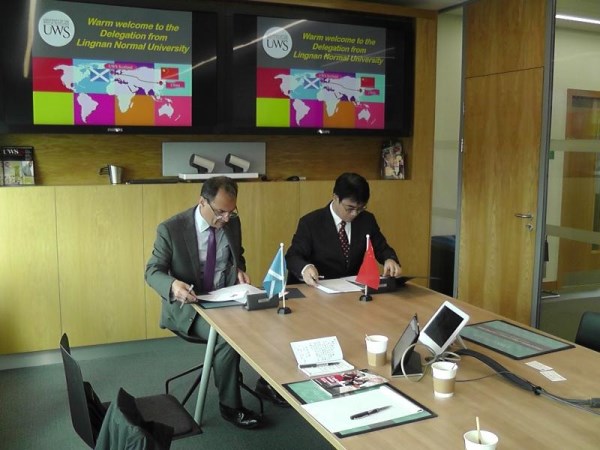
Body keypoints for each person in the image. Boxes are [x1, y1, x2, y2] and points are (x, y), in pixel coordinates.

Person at [145, 176, 283, 430]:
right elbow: (152, 271)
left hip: (226, 297)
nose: (226, 219)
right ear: (202, 202)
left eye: (232, 212)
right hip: (191, 306)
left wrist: (238, 269)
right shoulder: (171, 229)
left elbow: (236, 255)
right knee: (226, 336)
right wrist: (173, 286)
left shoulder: (232, 222)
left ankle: (267, 384)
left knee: (273, 317)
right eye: (220, 212)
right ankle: (231, 406)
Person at [286, 172, 402, 285]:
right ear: (335, 197)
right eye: (349, 208)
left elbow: (382, 248)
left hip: (352, 290)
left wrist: (389, 259)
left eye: (361, 208)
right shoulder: (311, 223)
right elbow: (293, 256)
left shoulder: (367, 220)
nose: (355, 213)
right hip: (318, 288)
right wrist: (305, 268)